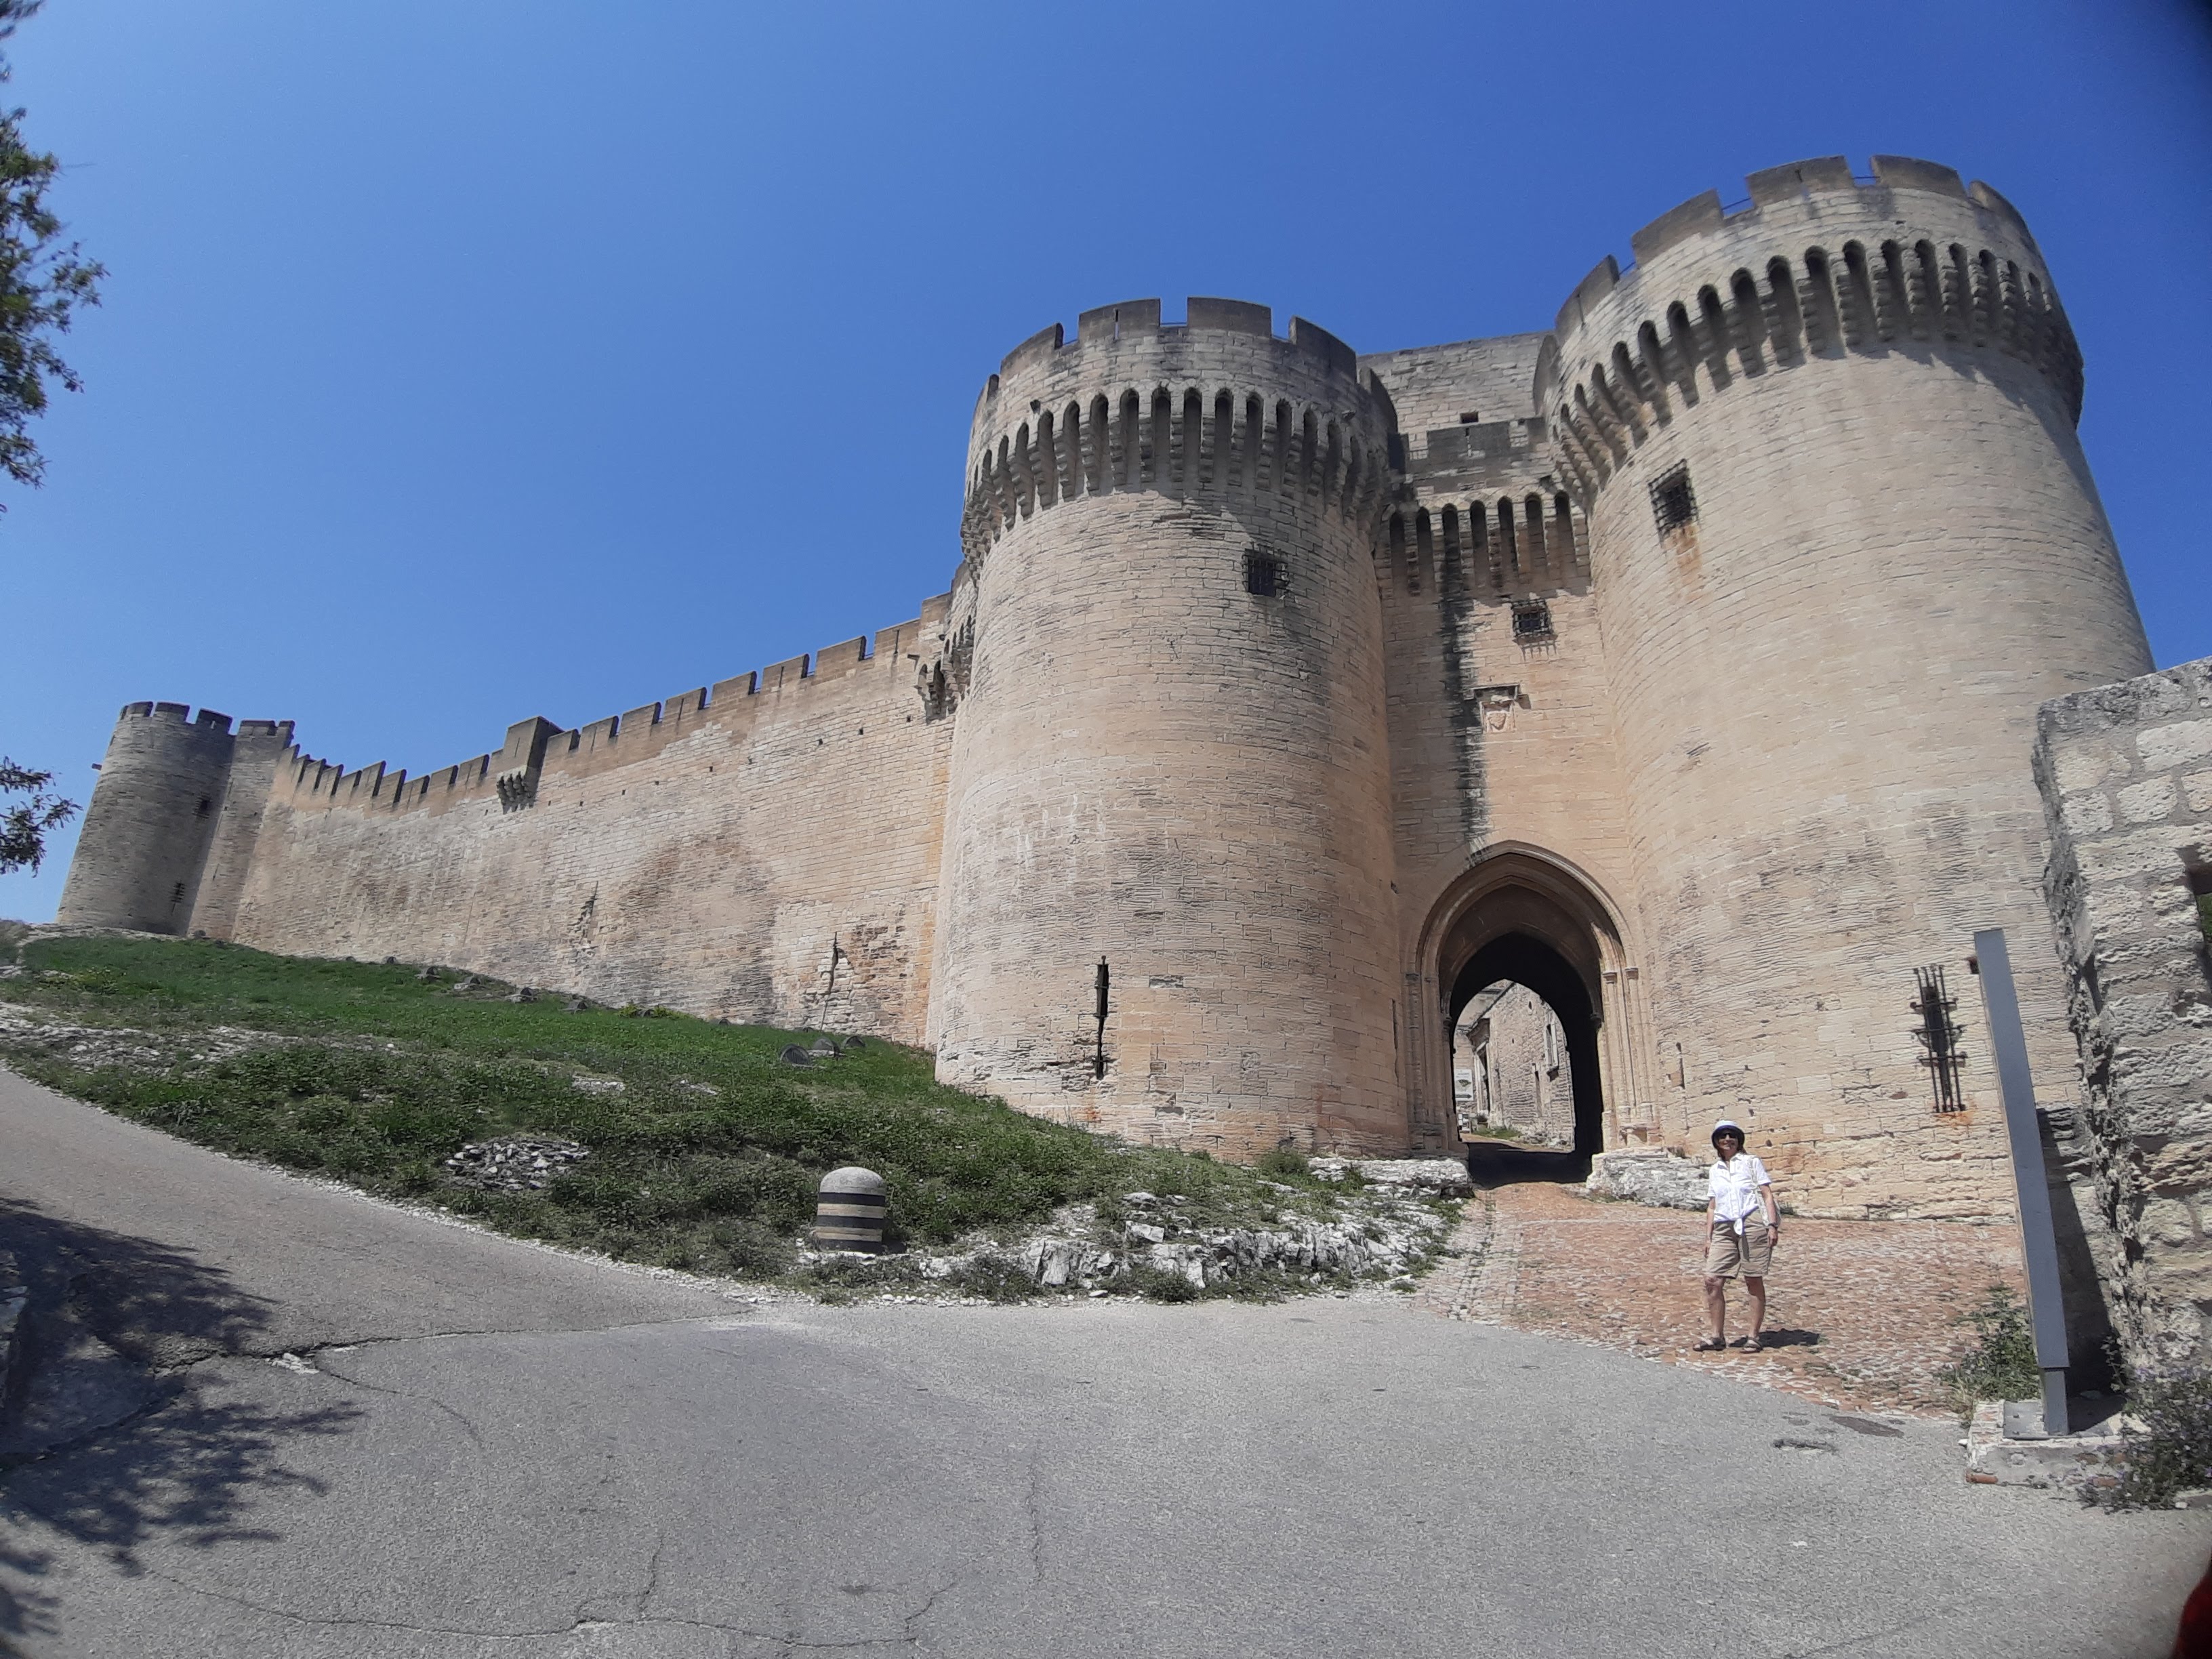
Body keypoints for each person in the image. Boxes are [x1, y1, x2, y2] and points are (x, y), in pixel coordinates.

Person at [1696, 1119, 1778, 1352]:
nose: (1727, 1139)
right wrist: (1708, 1237)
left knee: (1753, 1279)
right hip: (1723, 1226)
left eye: (1732, 1135)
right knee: (1712, 1279)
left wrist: (1772, 1225)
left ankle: (1753, 1336)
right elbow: (1712, 1205)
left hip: (1751, 1222)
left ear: (1739, 1140)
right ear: (1716, 1142)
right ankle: (1717, 1336)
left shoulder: (1751, 1162)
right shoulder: (1715, 1170)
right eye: (1722, 1136)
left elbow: (1766, 1194)